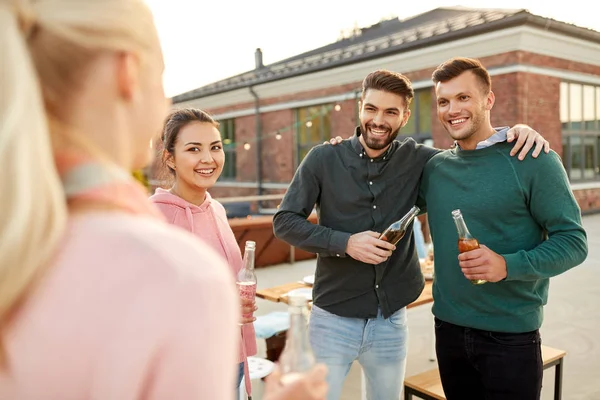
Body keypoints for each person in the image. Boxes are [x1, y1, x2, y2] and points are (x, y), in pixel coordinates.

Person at [0, 1, 327, 399]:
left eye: (215, 147)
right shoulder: (173, 269)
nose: (208, 158)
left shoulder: (24, 241)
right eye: (162, 77)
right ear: (128, 72)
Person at [273, 68, 549, 400]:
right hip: (332, 319)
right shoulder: (323, 158)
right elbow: (284, 221)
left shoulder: (423, 161)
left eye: (391, 111)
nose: (379, 119)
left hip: (391, 320)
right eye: (372, 109)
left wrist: (516, 132)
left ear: (405, 116)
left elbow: (471, 157)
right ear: (360, 107)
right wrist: (345, 243)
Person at [419, 57, 588, 400]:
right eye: (443, 101)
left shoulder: (533, 159)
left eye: (463, 98)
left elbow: (573, 242)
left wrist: (508, 266)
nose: (452, 109)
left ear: (488, 100)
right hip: (448, 330)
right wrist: (340, 149)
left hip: (510, 337)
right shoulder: (435, 168)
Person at [149, 108, 257, 399]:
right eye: (193, 149)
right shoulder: (153, 219)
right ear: (169, 157)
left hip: (231, 357)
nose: (208, 159)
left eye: (216, 147)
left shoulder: (217, 210)